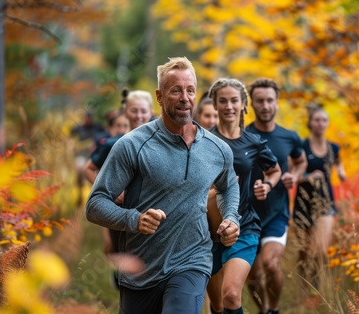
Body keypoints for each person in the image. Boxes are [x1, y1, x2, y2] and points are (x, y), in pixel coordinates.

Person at [85, 57, 241, 314]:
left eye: (190, 90)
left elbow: (228, 185)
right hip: (141, 270)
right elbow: (95, 204)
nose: (185, 97)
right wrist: (134, 219)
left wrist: (232, 217)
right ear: (159, 96)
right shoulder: (132, 145)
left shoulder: (217, 149)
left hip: (192, 261)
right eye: (175, 90)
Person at [206, 78, 281, 314]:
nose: (229, 106)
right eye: (223, 101)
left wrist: (267, 185)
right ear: (215, 105)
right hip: (206, 230)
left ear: (243, 105)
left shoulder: (254, 142)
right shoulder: (202, 140)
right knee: (217, 304)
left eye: (234, 101)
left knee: (231, 294)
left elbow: (275, 170)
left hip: (244, 226)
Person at [245, 78, 307, 314]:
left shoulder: (289, 137)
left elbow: (301, 161)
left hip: (277, 213)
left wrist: (294, 175)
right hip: (248, 215)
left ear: (277, 102)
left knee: (271, 264)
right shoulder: (243, 136)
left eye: (270, 100)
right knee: (254, 275)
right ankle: (262, 309)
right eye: (259, 101)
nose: (265, 105)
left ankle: (275, 308)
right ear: (252, 104)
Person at [84, 89, 153, 257]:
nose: (139, 116)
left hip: (150, 210)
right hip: (121, 212)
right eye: (134, 111)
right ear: (125, 112)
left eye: (143, 111)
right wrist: (111, 193)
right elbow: (88, 168)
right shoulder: (113, 144)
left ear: (151, 113)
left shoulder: (160, 143)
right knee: (122, 258)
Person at [293, 105, 347, 289]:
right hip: (304, 202)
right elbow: (292, 175)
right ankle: (304, 286)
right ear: (310, 123)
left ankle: (316, 287)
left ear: (328, 123)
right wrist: (308, 177)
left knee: (321, 249)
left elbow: (338, 162)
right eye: (317, 119)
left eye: (324, 120)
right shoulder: (301, 146)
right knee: (305, 249)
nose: (320, 123)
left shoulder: (333, 148)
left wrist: (341, 171)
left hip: (325, 202)